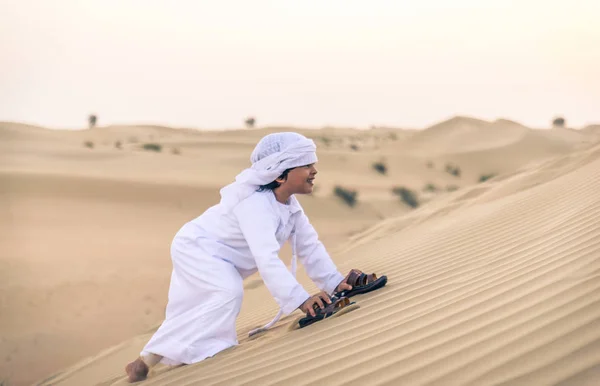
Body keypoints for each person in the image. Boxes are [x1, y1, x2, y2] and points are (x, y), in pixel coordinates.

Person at [125, 132, 355, 382]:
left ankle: (144, 361)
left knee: (205, 304)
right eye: (307, 165)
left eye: (314, 163)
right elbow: (266, 259)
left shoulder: (290, 205)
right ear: (279, 174)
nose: (314, 170)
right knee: (227, 293)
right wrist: (301, 300)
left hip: (221, 256)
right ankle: (160, 358)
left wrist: (334, 282)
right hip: (198, 246)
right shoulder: (255, 205)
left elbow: (309, 246)